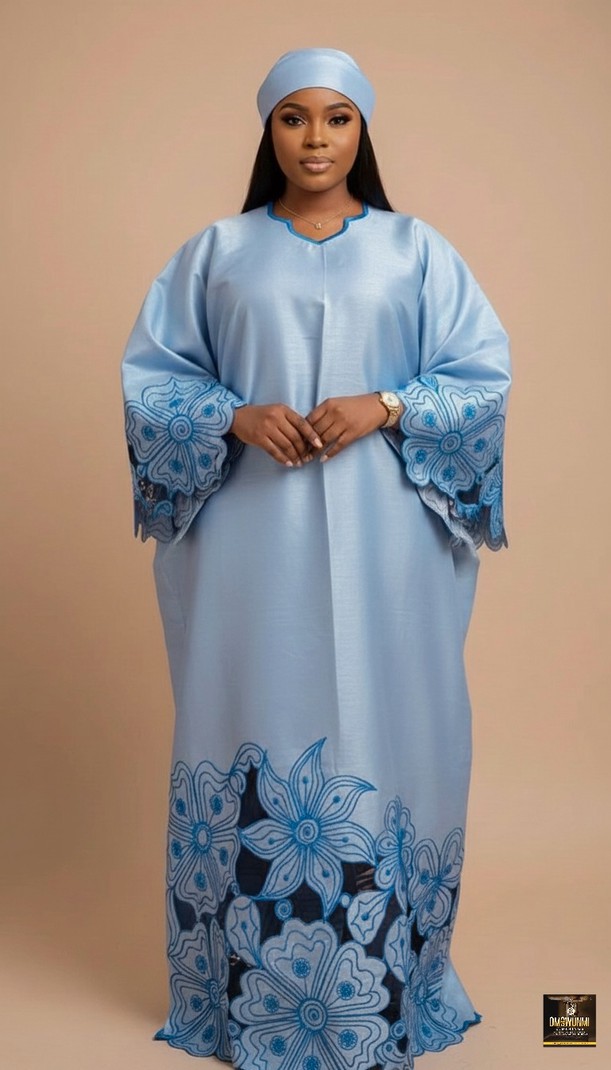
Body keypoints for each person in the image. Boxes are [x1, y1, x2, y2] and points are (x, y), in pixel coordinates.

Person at [121, 47, 511, 1070]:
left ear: (361, 131)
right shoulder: (217, 252)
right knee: (251, 707)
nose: (314, 139)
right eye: (292, 118)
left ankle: (386, 989)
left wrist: (384, 403)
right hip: (249, 538)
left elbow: (480, 376)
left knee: (389, 719)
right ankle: (246, 998)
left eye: (336, 118)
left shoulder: (415, 251)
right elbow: (154, 382)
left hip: (387, 544)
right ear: (268, 132)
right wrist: (233, 415)